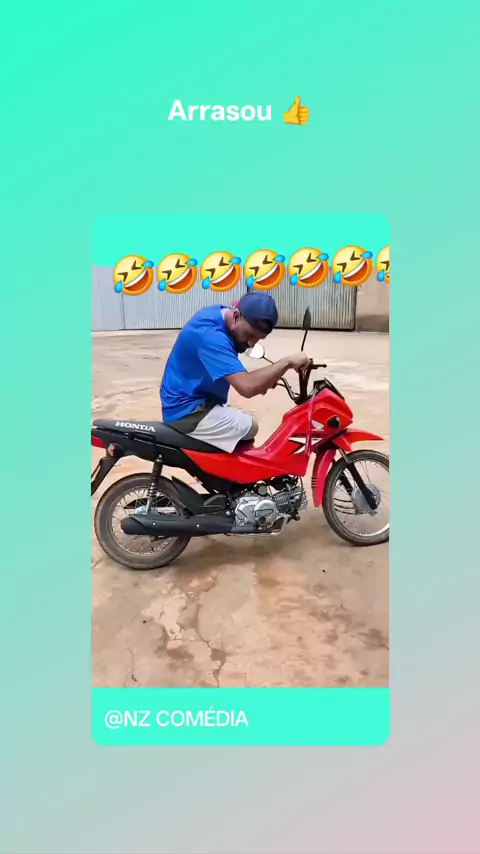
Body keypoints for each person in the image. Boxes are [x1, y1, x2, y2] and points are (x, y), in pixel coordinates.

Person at [160, 292, 311, 452]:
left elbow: (239, 374)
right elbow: (246, 387)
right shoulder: (210, 335)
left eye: (258, 339)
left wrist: (267, 378)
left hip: (200, 401)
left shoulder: (225, 315)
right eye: (250, 335)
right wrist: (287, 362)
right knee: (248, 426)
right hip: (187, 411)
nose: (251, 344)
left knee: (239, 426)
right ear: (236, 317)